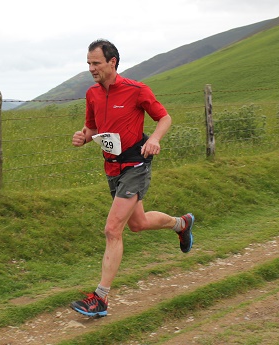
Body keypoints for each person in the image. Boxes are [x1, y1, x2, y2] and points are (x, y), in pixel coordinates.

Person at [69, 39, 194, 318]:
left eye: (96, 63)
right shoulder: (92, 94)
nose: (91, 68)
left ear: (112, 62)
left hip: (136, 164)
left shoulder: (137, 90)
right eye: (88, 63)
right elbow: (92, 128)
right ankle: (181, 224)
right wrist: (83, 137)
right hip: (112, 167)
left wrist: (156, 140)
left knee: (113, 229)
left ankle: (100, 298)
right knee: (137, 224)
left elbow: (164, 118)